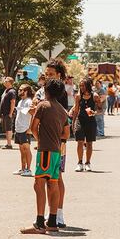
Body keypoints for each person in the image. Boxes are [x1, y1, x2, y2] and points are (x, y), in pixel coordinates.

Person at [20, 79, 70, 235]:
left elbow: (33, 127)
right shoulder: (62, 110)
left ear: (46, 90)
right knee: (53, 185)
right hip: (56, 151)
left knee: (39, 184)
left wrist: (40, 139)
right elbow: (66, 134)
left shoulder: (43, 105)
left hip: (45, 151)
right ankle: (53, 222)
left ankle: (40, 223)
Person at [31, 59, 71, 227]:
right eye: (46, 74)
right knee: (53, 179)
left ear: (59, 75)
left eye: (51, 74)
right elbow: (66, 129)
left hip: (51, 145)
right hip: (55, 142)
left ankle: (53, 216)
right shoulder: (47, 94)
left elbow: (34, 125)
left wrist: (40, 138)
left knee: (47, 181)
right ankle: (53, 217)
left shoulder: (58, 94)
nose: (47, 77)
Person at [71, 77, 98, 172]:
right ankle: (79, 162)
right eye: (80, 86)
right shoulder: (78, 96)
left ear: (87, 86)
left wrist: (95, 112)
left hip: (90, 121)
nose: (81, 87)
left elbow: (100, 109)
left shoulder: (94, 96)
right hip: (80, 120)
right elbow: (76, 110)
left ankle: (88, 163)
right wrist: (73, 122)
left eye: (83, 85)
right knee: (80, 142)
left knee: (89, 143)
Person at [13, 84, 34, 177]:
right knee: (21, 150)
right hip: (18, 129)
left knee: (27, 149)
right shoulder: (21, 101)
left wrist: (30, 128)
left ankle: (28, 169)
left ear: (26, 91)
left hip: (25, 129)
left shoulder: (29, 101)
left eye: (22, 90)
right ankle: (23, 168)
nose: (19, 91)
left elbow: (33, 114)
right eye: (19, 90)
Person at [0, 77, 17, 149]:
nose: (4, 82)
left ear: (10, 82)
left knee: (9, 128)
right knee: (7, 128)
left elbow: (13, 102)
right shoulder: (6, 91)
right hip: (5, 113)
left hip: (8, 113)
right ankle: (8, 143)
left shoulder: (11, 91)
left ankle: (9, 144)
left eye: (6, 81)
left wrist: (11, 113)